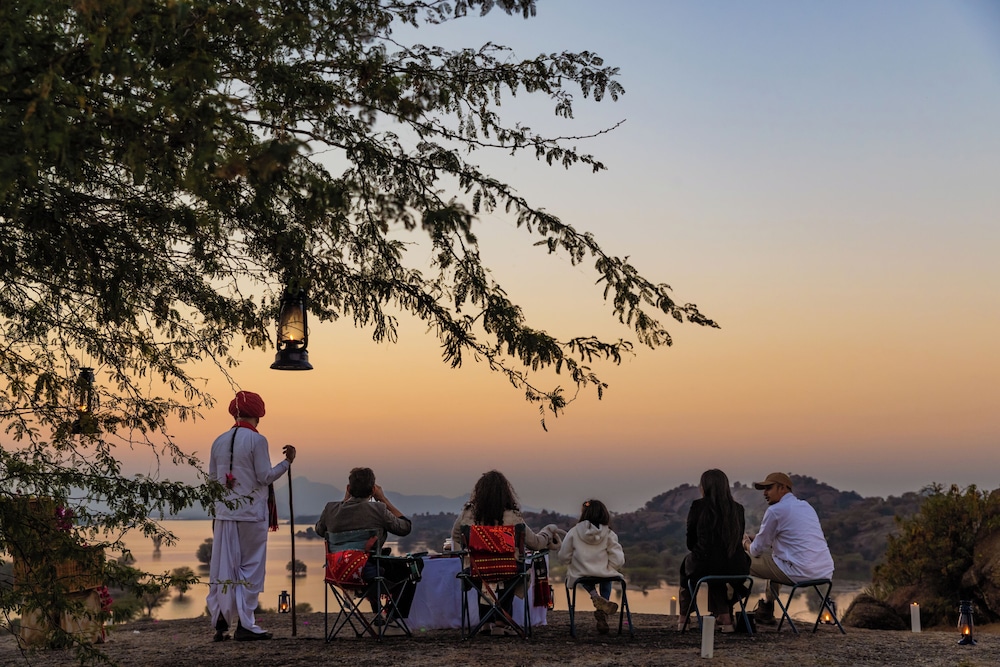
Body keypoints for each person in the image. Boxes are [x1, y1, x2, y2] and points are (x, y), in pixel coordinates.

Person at [206, 391, 295, 642]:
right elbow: (265, 476)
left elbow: (212, 480)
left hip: (223, 514)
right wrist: (287, 462)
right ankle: (246, 624)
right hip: (251, 514)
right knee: (251, 568)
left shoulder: (218, 441)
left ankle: (221, 620)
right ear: (258, 415)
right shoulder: (257, 440)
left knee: (223, 566)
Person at [451, 470, 565, 635]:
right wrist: (547, 532)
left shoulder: (467, 514)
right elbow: (535, 544)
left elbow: (456, 536)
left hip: (478, 570)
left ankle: (485, 623)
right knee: (509, 571)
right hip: (508, 570)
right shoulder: (513, 516)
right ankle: (501, 623)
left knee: (483, 573)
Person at [314, 467, 421, 619]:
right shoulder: (379, 510)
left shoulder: (330, 509)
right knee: (412, 566)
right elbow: (405, 528)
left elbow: (319, 530)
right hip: (367, 575)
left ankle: (379, 613)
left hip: (337, 573)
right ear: (373, 490)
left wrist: (344, 502)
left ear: (348, 488)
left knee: (373, 559)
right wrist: (384, 500)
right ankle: (393, 617)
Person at [743, 472, 835, 625]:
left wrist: (745, 543)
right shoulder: (806, 507)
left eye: (769, 488)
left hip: (800, 573)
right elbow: (793, 543)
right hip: (824, 572)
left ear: (783, 488)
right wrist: (758, 539)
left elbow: (755, 551)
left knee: (739, 559)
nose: (765, 493)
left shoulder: (775, 510)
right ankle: (767, 609)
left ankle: (725, 613)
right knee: (777, 558)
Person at [677, 469, 750, 632]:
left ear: (705, 486)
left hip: (705, 563)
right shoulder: (738, 509)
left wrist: (702, 550)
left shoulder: (698, 506)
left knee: (689, 567)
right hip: (736, 566)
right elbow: (738, 539)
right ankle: (725, 618)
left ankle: (683, 618)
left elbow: (690, 542)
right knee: (717, 570)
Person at [557, 499, 625, 635]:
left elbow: (564, 556)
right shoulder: (609, 534)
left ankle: (595, 596)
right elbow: (618, 559)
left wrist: (573, 562)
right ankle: (603, 606)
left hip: (581, 575)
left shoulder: (573, 532)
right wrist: (610, 567)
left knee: (579, 572)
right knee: (607, 577)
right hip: (603, 573)